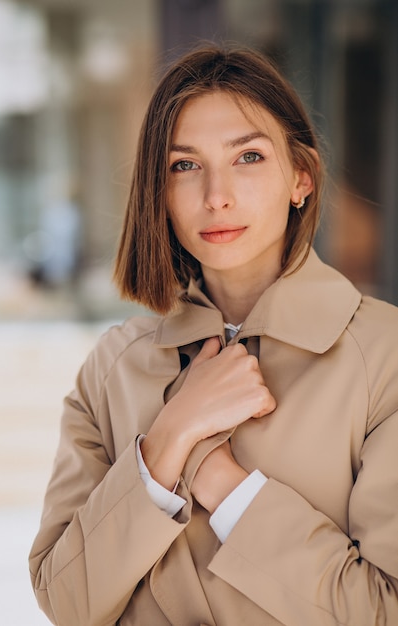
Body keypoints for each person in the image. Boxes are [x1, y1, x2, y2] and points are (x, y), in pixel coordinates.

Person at [29, 45, 398, 626]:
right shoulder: (112, 367)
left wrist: (219, 479)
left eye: (247, 157)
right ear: (161, 191)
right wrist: (169, 440)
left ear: (301, 177)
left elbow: (382, 610)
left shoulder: (385, 358)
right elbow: (66, 601)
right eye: (184, 165)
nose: (216, 195)